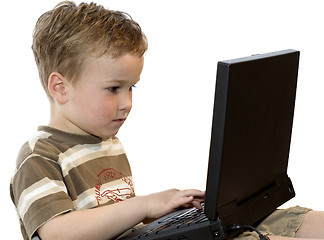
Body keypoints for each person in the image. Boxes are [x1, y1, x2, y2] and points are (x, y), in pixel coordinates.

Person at [9, 1, 324, 240]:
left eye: (131, 87)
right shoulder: (40, 156)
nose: (127, 102)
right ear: (60, 87)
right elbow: (57, 232)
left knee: (289, 221)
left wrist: (166, 214)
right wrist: (145, 206)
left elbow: (115, 223)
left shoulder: (107, 144)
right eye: (113, 89)